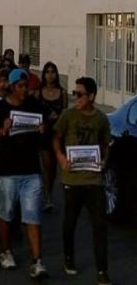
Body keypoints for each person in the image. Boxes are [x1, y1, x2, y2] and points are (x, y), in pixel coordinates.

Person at [0, 69, 48, 278]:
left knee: (32, 216)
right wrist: (2, 130)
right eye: (20, 86)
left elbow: (47, 128)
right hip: (7, 171)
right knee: (7, 213)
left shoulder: (34, 106)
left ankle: (37, 260)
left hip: (31, 170)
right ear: (11, 86)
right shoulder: (0, 108)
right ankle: (5, 251)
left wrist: (42, 130)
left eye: (26, 86)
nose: (24, 90)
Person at [53, 77, 111, 285]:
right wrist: (60, 158)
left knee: (99, 225)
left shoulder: (101, 119)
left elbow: (106, 144)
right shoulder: (68, 116)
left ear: (92, 96)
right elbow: (56, 138)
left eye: (80, 94)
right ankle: (69, 258)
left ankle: (102, 271)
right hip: (72, 178)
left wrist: (103, 161)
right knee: (70, 222)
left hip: (93, 179)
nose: (75, 97)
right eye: (74, 93)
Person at [35, 62, 68, 213]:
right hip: (44, 133)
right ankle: (47, 196)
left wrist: (58, 117)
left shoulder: (63, 93)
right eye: (47, 72)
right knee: (46, 166)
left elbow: (66, 114)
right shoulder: (38, 93)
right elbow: (34, 114)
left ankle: (49, 192)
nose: (50, 75)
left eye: (53, 71)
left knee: (54, 167)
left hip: (58, 133)